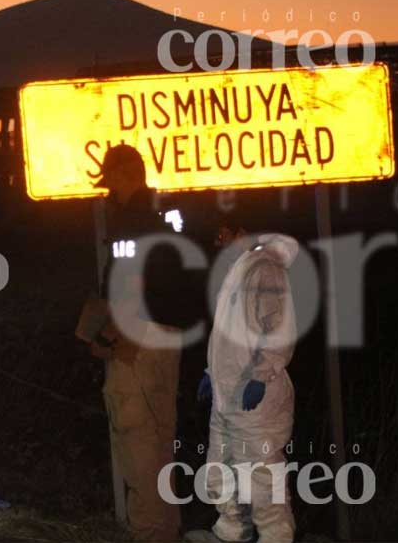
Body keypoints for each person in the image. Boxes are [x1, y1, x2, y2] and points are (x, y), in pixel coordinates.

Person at [88, 144, 183, 542]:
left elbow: (130, 285)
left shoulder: (130, 222)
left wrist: (103, 335)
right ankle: (166, 529)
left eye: (111, 180)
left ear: (127, 176)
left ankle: (148, 533)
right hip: (167, 338)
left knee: (136, 439)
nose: (108, 190)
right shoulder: (166, 218)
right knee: (161, 439)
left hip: (136, 343)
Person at [193, 229, 299, 543]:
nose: (217, 241)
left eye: (223, 234)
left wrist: (261, 374)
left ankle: (276, 538)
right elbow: (228, 337)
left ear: (244, 233)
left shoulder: (264, 269)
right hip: (228, 395)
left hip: (256, 400)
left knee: (262, 480)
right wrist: (212, 373)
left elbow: (279, 329)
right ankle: (232, 534)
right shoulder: (238, 271)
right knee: (221, 470)